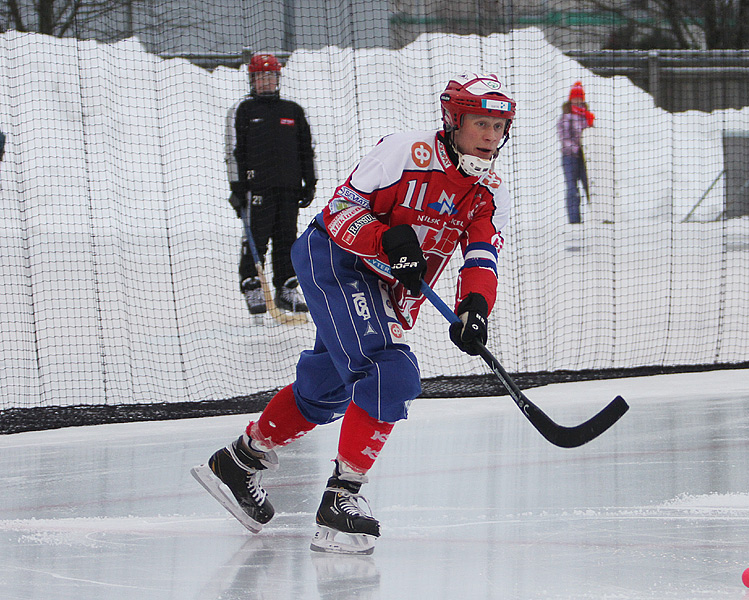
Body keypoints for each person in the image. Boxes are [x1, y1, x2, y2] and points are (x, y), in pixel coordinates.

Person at [192, 72, 516, 555]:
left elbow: (481, 256)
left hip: (383, 287)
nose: (491, 136)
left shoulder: (490, 189)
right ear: (453, 120)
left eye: (499, 126)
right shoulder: (406, 152)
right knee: (390, 372)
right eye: (480, 123)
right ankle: (341, 498)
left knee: (327, 388)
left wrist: (475, 308)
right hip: (337, 261)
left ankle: (239, 462)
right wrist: (386, 237)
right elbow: (341, 212)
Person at [226, 52, 317, 315]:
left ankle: (286, 288)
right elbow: (233, 151)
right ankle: (252, 285)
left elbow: (306, 149)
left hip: (288, 188)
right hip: (257, 189)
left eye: (270, 76)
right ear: (252, 80)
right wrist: (237, 188)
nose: (266, 81)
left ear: (278, 79)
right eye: (260, 76)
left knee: (287, 239)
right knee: (256, 238)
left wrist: (309, 182)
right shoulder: (243, 110)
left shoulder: (293, 111)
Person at [557, 80, 594, 224]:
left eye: (580, 97)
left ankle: (596, 215)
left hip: (586, 158)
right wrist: (577, 148)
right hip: (570, 156)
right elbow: (564, 137)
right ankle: (574, 220)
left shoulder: (586, 115)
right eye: (575, 97)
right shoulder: (566, 116)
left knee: (590, 185)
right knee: (572, 188)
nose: (578, 100)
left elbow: (592, 134)